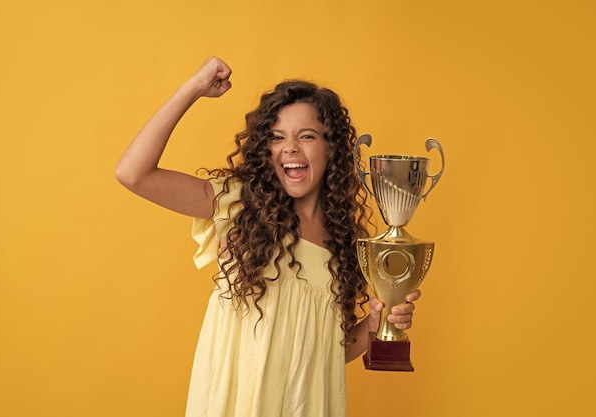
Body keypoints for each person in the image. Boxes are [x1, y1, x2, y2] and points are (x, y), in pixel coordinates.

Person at [115, 56, 421, 417]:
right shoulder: (239, 206)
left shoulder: (345, 243)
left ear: (331, 147)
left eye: (306, 136)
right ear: (267, 149)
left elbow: (328, 349)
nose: (290, 147)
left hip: (304, 405)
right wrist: (193, 89)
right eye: (277, 138)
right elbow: (132, 173)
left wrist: (373, 325)